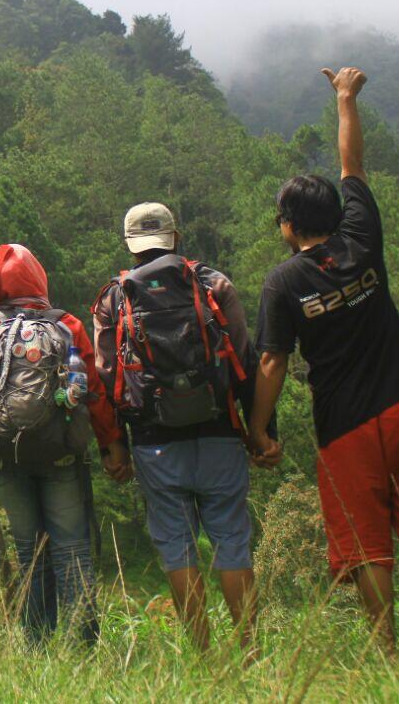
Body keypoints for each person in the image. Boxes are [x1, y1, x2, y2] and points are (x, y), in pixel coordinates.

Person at [246, 67, 399, 666]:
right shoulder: (361, 237)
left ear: (289, 226)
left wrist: (258, 430)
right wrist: (345, 99)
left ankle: (389, 662)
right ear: (334, 215)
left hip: (343, 425)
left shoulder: (284, 281)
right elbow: (354, 167)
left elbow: (271, 360)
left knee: (367, 545)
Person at [92, 203, 262, 652]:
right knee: (231, 542)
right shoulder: (214, 284)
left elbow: (106, 379)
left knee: (177, 550)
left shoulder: (113, 298)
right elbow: (244, 362)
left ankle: (204, 657)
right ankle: (250, 651)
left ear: (130, 245)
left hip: (154, 444)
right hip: (219, 432)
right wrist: (261, 430)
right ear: (176, 236)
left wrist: (114, 447)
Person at [0, 243, 130, 645]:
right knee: (71, 546)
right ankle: (83, 642)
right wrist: (110, 445)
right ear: (39, 278)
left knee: (27, 548)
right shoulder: (66, 324)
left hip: (7, 455)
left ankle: (37, 643)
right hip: (62, 451)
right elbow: (94, 391)